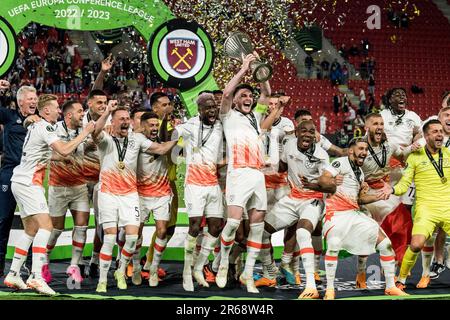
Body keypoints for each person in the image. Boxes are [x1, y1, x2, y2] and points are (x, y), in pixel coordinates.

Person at [4, 94, 95, 295]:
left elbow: (48, 152)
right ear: (46, 111)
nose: (58, 111)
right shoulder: (45, 126)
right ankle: (36, 276)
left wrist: (62, 158)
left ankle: (13, 273)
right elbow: (63, 150)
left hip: (19, 181)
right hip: (29, 184)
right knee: (47, 227)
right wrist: (85, 132)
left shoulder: (37, 126)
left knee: (31, 230)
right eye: (55, 108)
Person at [92, 104, 177, 293]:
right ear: (112, 122)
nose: (124, 121)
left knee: (131, 237)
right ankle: (103, 280)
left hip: (130, 195)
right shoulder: (105, 139)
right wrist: (106, 112)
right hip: (108, 194)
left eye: (126, 119)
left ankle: (121, 270)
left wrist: (178, 141)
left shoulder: (136, 139)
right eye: (120, 119)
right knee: (110, 237)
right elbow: (95, 131)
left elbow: (161, 149)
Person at [215, 52, 279, 293]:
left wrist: (260, 68)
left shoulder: (255, 117)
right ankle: (222, 263)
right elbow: (227, 93)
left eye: (250, 95)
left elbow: (266, 92)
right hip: (238, 173)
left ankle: (248, 274)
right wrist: (243, 68)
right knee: (232, 224)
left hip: (257, 175)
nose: (248, 98)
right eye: (244, 95)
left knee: (257, 227)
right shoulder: (227, 115)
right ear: (235, 101)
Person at [319, 138, 407, 299]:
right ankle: (330, 290)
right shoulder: (340, 163)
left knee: (386, 244)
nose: (364, 152)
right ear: (351, 150)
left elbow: (359, 200)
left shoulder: (359, 173)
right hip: (335, 214)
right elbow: (323, 179)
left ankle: (390, 287)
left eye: (366, 149)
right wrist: (331, 181)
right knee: (333, 246)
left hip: (354, 214)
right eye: (361, 149)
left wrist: (379, 196)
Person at [258, 120, 329, 299]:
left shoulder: (321, 155)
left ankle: (311, 286)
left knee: (303, 234)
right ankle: (270, 273)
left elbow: (328, 184)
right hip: (292, 198)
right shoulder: (289, 145)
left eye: (311, 131)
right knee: (261, 232)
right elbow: (282, 166)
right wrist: (266, 167)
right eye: (303, 130)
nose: (307, 134)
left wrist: (314, 184)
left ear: (315, 135)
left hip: (313, 200)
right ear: (296, 133)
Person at [379, 120, 450, 292]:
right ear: (426, 136)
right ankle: (401, 279)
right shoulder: (415, 157)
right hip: (426, 208)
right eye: (435, 131)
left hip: (448, 207)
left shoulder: (448, 153)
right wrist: (393, 189)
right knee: (417, 244)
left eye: (441, 131)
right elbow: (404, 184)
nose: (440, 134)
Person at [357, 113, 418, 288]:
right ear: (366, 127)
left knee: (402, 224)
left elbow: (402, 155)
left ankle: (393, 264)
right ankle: (361, 272)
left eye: (382, 123)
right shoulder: (359, 147)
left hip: (383, 193)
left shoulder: (389, 144)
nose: (380, 127)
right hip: (363, 195)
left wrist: (413, 150)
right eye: (375, 123)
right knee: (367, 235)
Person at [171, 93, 224, 291]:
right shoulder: (190, 125)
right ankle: (187, 271)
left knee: (216, 226)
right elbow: (172, 135)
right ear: (199, 109)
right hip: (194, 183)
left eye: (214, 107)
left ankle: (199, 267)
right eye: (207, 107)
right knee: (194, 226)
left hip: (213, 183)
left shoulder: (220, 125)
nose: (212, 110)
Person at [44, 100, 91, 284]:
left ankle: (74, 266)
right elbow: (56, 153)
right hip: (58, 187)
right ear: (69, 115)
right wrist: (63, 156)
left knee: (82, 226)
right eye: (80, 111)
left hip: (79, 186)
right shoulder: (53, 129)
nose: (83, 114)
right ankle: (43, 260)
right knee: (55, 230)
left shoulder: (84, 128)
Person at [0, 85, 39, 277]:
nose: (34, 101)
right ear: (20, 101)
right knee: (3, 219)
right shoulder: (8, 116)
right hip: (9, 172)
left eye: (35, 98)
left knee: (33, 220)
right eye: (30, 99)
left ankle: (30, 265)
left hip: (30, 175)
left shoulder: (39, 122)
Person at [133, 112, 173, 286]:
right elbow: (163, 149)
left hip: (162, 193)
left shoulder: (163, 141)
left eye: (157, 125)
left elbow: (175, 154)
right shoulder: (138, 141)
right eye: (151, 125)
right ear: (143, 126)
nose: (155, 128)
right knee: (136, 233)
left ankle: (154, 269)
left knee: (162, 231)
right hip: (140, 194)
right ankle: (135, 268)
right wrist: (178, 138)